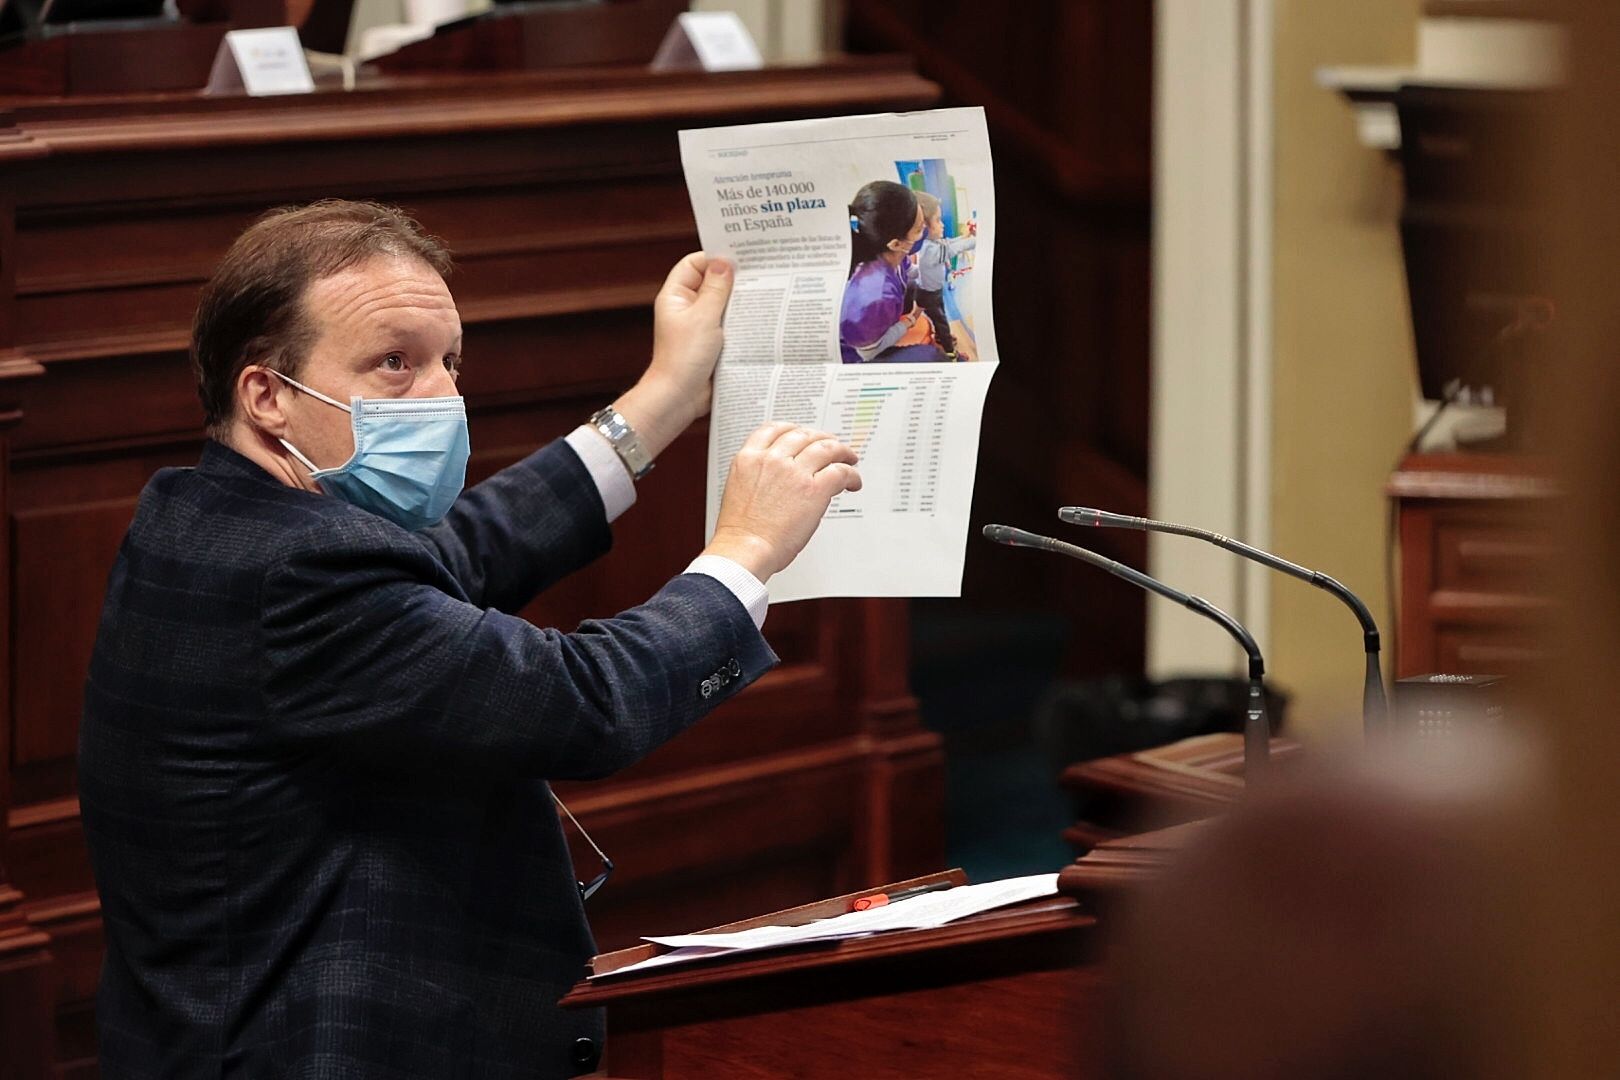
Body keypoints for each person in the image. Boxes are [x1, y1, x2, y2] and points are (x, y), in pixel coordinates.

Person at [77, 200, 861, 1079]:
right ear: (268, 396)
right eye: (394, 364)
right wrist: (745, 551)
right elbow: (586, 702)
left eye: (450, 361)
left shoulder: (200, 514)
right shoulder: (301, 576)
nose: (442, 395)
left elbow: (462, 549)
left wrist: (662, 398)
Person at [839, 179, 941, 363]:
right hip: (859, 355)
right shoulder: (874, 294)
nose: (925, 230)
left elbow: (911, 273)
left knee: (918, 288)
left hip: (876, 318)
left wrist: (931, 267)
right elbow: (868, 352)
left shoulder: (893, 256)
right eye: (919, 229)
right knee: (932, 357)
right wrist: (912, 318)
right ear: (896, 243)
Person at [910, 190, 977, 361]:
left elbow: (948, 243)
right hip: (929, 294)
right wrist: (976, 241)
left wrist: (965, 236)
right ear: (923, 228)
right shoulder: (929, 250)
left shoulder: (932, 242)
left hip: (933, 291)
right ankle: (950, 353)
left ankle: (940, 336)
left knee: (938, 318)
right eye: (938, 221)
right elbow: (951, 249)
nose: (943, 225)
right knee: (942, 322)